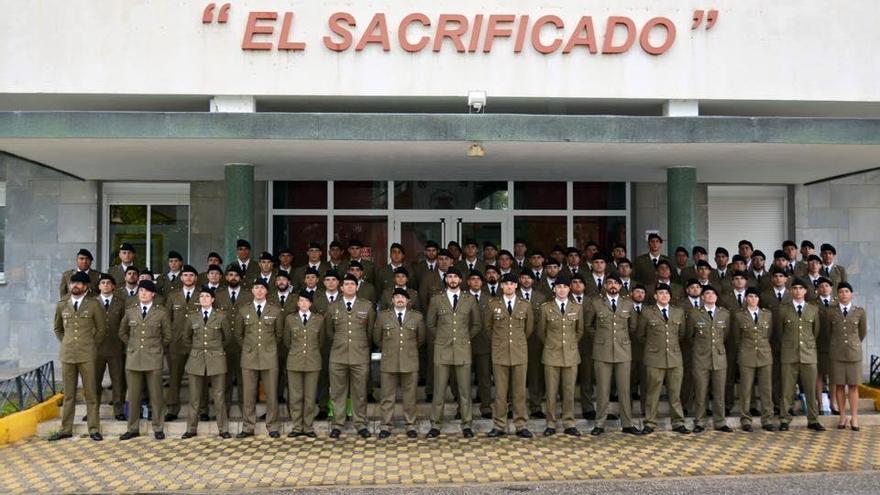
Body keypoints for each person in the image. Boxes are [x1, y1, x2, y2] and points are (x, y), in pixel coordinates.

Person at [49, 271, 107, 441]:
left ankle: (94, 429)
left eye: (79, 283)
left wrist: (90, 345)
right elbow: (57, 329)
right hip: (67, 355)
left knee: (90, 393)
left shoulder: (94, 304)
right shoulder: (62, 304)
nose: (75, 285)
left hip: (87, 355)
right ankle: (65, 429)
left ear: (86, 287)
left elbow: (102, 329)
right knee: (68, 395)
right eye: (73, 283)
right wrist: (66, 342)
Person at [425, 267, 482, 439]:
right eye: (449, 276)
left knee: (464, 391)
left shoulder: (469, 299)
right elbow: (430, 324)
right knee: (439, 390)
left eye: (455, 276)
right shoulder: (437, 299)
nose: (452, 279)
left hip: (463, 349)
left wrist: (465, 338)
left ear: (461, 279)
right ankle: (435, 425)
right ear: (446, 279)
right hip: (442, 350)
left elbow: (477, 324)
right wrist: (443, 338)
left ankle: (467, 424)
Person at [584, 275, 640, 435]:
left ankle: (627, 423)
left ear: (621, 286)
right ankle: (599, 423)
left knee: (624, 389)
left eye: (616, 283)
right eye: (609, 283)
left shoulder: (628, 304)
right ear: (605, 286)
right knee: (603, 389)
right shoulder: (595, 303)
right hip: (602, 351)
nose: (613, 285)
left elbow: (633, 326)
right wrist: (601, 338)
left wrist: (621, 338)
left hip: (623, 351)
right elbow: (588, 325)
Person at [120, 280, 171, 440]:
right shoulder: (130, 311)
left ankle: (158, 427)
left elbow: (167, 336)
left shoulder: (161, 313)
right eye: (140, 290)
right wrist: (133, 345)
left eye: (146, 291)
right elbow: (122, 332)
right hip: (134, 358)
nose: (142, 293)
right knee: (133, 396)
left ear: (153, 294)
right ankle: (132, 428)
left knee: (156, 396)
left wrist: (156, 348)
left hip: (153, 358)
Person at [327, 274, 377, 439]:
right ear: (341, 288)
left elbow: (370, 332)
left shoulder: (367, 306)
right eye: (346, 284)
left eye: (352, 284)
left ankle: (360, 424)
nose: (349, 286)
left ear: (357, 287)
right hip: (338, 355)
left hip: (359, 355)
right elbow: (329, 332)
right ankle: (338, 424)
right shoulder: (333, 307)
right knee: (338, 392)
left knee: (360, 392)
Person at [485, 273, 534, 438]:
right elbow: (488, 327)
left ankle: (521, 425)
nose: (509, 286)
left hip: (519, 353)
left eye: (512, 284)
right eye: (506, 284)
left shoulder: (525, 305)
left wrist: (515, 343)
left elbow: (529, 329)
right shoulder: (493, 304)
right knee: (500, 391)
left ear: (516, 286)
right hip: (500, 353)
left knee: (519, 392)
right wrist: (501, 342)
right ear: (501, 286)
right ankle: (499, 424)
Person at [637, 283, 689, 434]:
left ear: (670, 296)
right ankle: (650, 422)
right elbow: (641, 335)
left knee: (675, 392)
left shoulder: (678, 312)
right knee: (653, 392)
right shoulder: (647, 312)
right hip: (654, 358)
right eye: (660, 293)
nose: (664, 296)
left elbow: (682, 334)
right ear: (655, 296)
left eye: (666, 293)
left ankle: (678, 422)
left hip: (674, 358)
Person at [373, 288, 425, 438]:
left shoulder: (417, 317)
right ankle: (385, 426)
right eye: (397, 297)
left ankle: (410, 425)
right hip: (389, 361)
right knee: (387, 396)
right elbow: (377, 338)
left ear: (408, 301)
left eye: (403, 297)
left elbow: (420, 339)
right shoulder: (383, 317)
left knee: (410, 396)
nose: (400, 299)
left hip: (410, 361)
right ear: (392, 300)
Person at [234, 279, 283, 438]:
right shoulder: (243, 310)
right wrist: (248, 347)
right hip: (249, 357)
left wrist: (268, 348)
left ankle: (273, 426)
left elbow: (279, 335)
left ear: (267, 291)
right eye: (256, 287)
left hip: (269, 357)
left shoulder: (275, 310)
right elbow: (238, 334)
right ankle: (248, 426)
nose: (259, 290)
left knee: (271, 394)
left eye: (262, 287)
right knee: (248, 394)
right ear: (252, 291)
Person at [536, 275, 584, 437]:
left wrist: (570, 344)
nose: (562, 290)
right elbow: (541, 332)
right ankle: (551, 422)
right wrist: (551, 344)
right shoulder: (546, 308)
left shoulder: (576, 308)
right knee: (551, 391)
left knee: (569, 391)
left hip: (570, 355)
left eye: (565, 287)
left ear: (569, 289)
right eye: (559, 287)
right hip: (551, 354)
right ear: (554, 289)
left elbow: (580, 330)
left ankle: (569, 422)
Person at [182, 286, 232, 439]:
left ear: (212, 299)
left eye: (207, 296)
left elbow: (227, 337)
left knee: (219, 395)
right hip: (196, 359)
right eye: (201, 296)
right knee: (195, 397)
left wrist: (215, 349)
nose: (204, 298)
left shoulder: (221, 316)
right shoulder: (192, 317)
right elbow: (186, 338)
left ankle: (223, 428)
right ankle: (191, 428)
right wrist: (197, 349)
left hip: (216, 358)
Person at [775, 278, 824, 432]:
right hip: (789, 354)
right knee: (787, 390)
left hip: (808, 354)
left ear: (805, 291)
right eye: (794, 288)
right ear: (791, 291)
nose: (797, 291)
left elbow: (815, 332)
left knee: (810, 389)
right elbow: (779, 333)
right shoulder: (783, 309)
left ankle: (813, 419)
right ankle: (784, 419)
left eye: (800, 288)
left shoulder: (813, 309)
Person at [686, 285, 732, 433]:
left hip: (719, 357)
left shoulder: (724, 314)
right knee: (701, 391)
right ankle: (699, 421)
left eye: (713, 293)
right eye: (707, 293)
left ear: (717, 297)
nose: (711, 295)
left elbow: (726, 335)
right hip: (701, 357)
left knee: (719, 392)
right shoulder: (694, 314)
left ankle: (720, 421)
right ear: (702, 297)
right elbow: (689, 335)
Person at [731, 287, 776, 431]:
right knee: (746, 388)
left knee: (766, 388)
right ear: (745, 299)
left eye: (755, 296)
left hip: (764, 354)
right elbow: (736, 337)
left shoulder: (767, 314)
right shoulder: (739, 316)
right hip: (747, 355)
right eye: (750, 296)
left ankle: (767, 419)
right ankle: (746, 420)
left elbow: (769, 334)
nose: (753, 299)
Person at [283, 289, 325, 438]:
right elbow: (287, 341)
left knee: (310, 396)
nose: (303, 303)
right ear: (297, 303)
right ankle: (297, 426)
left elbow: (321, 341)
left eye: (306, 301)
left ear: (310, 303)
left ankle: (308, 427)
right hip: (294, 361)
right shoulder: (290, 319)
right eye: (301, 301)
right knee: (296, 396)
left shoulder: (319, 319)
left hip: (313, 362)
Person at [829, 282, 866, 431]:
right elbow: (828, 332)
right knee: (839, 385)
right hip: (837, 353)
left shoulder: (859, 312)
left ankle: (854, 417)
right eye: (841, 292)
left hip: (853, 353)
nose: (844, 294)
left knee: (853, 385)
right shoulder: (831, 312)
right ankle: (842, 416)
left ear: (851, 294)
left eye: (846, 291)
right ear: (837, 295)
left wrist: (852, 344)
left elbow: (862, 332)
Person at [93, 273, 127, 422]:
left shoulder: (121, 303)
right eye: (103, 283)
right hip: (96, 348)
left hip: (116, 347)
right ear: (99, 286)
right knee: (94, 381)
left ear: (113, 286)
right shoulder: (92, 302)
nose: (106, 285)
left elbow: (125, 325)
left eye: (108, 283)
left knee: (118, 380)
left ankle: (118, 410)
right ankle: (93, 411)